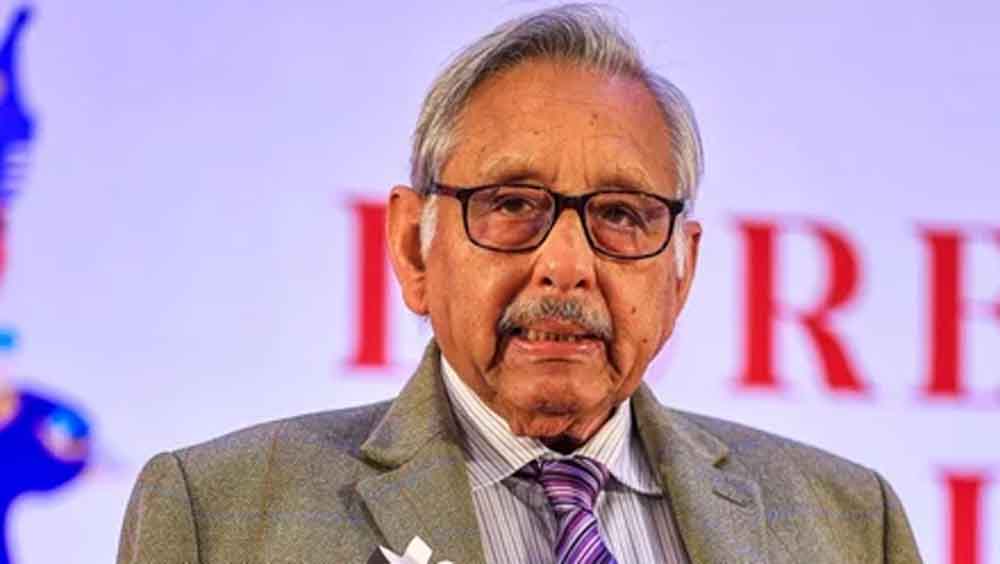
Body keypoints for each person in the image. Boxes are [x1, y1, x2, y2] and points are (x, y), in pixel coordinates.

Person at [117, 5, 923, 563]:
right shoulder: (221, 516)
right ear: (413, 249)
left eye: (621, 214)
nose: (566, 264)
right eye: (512, 204)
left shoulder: (850, 524)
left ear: (681, 272)